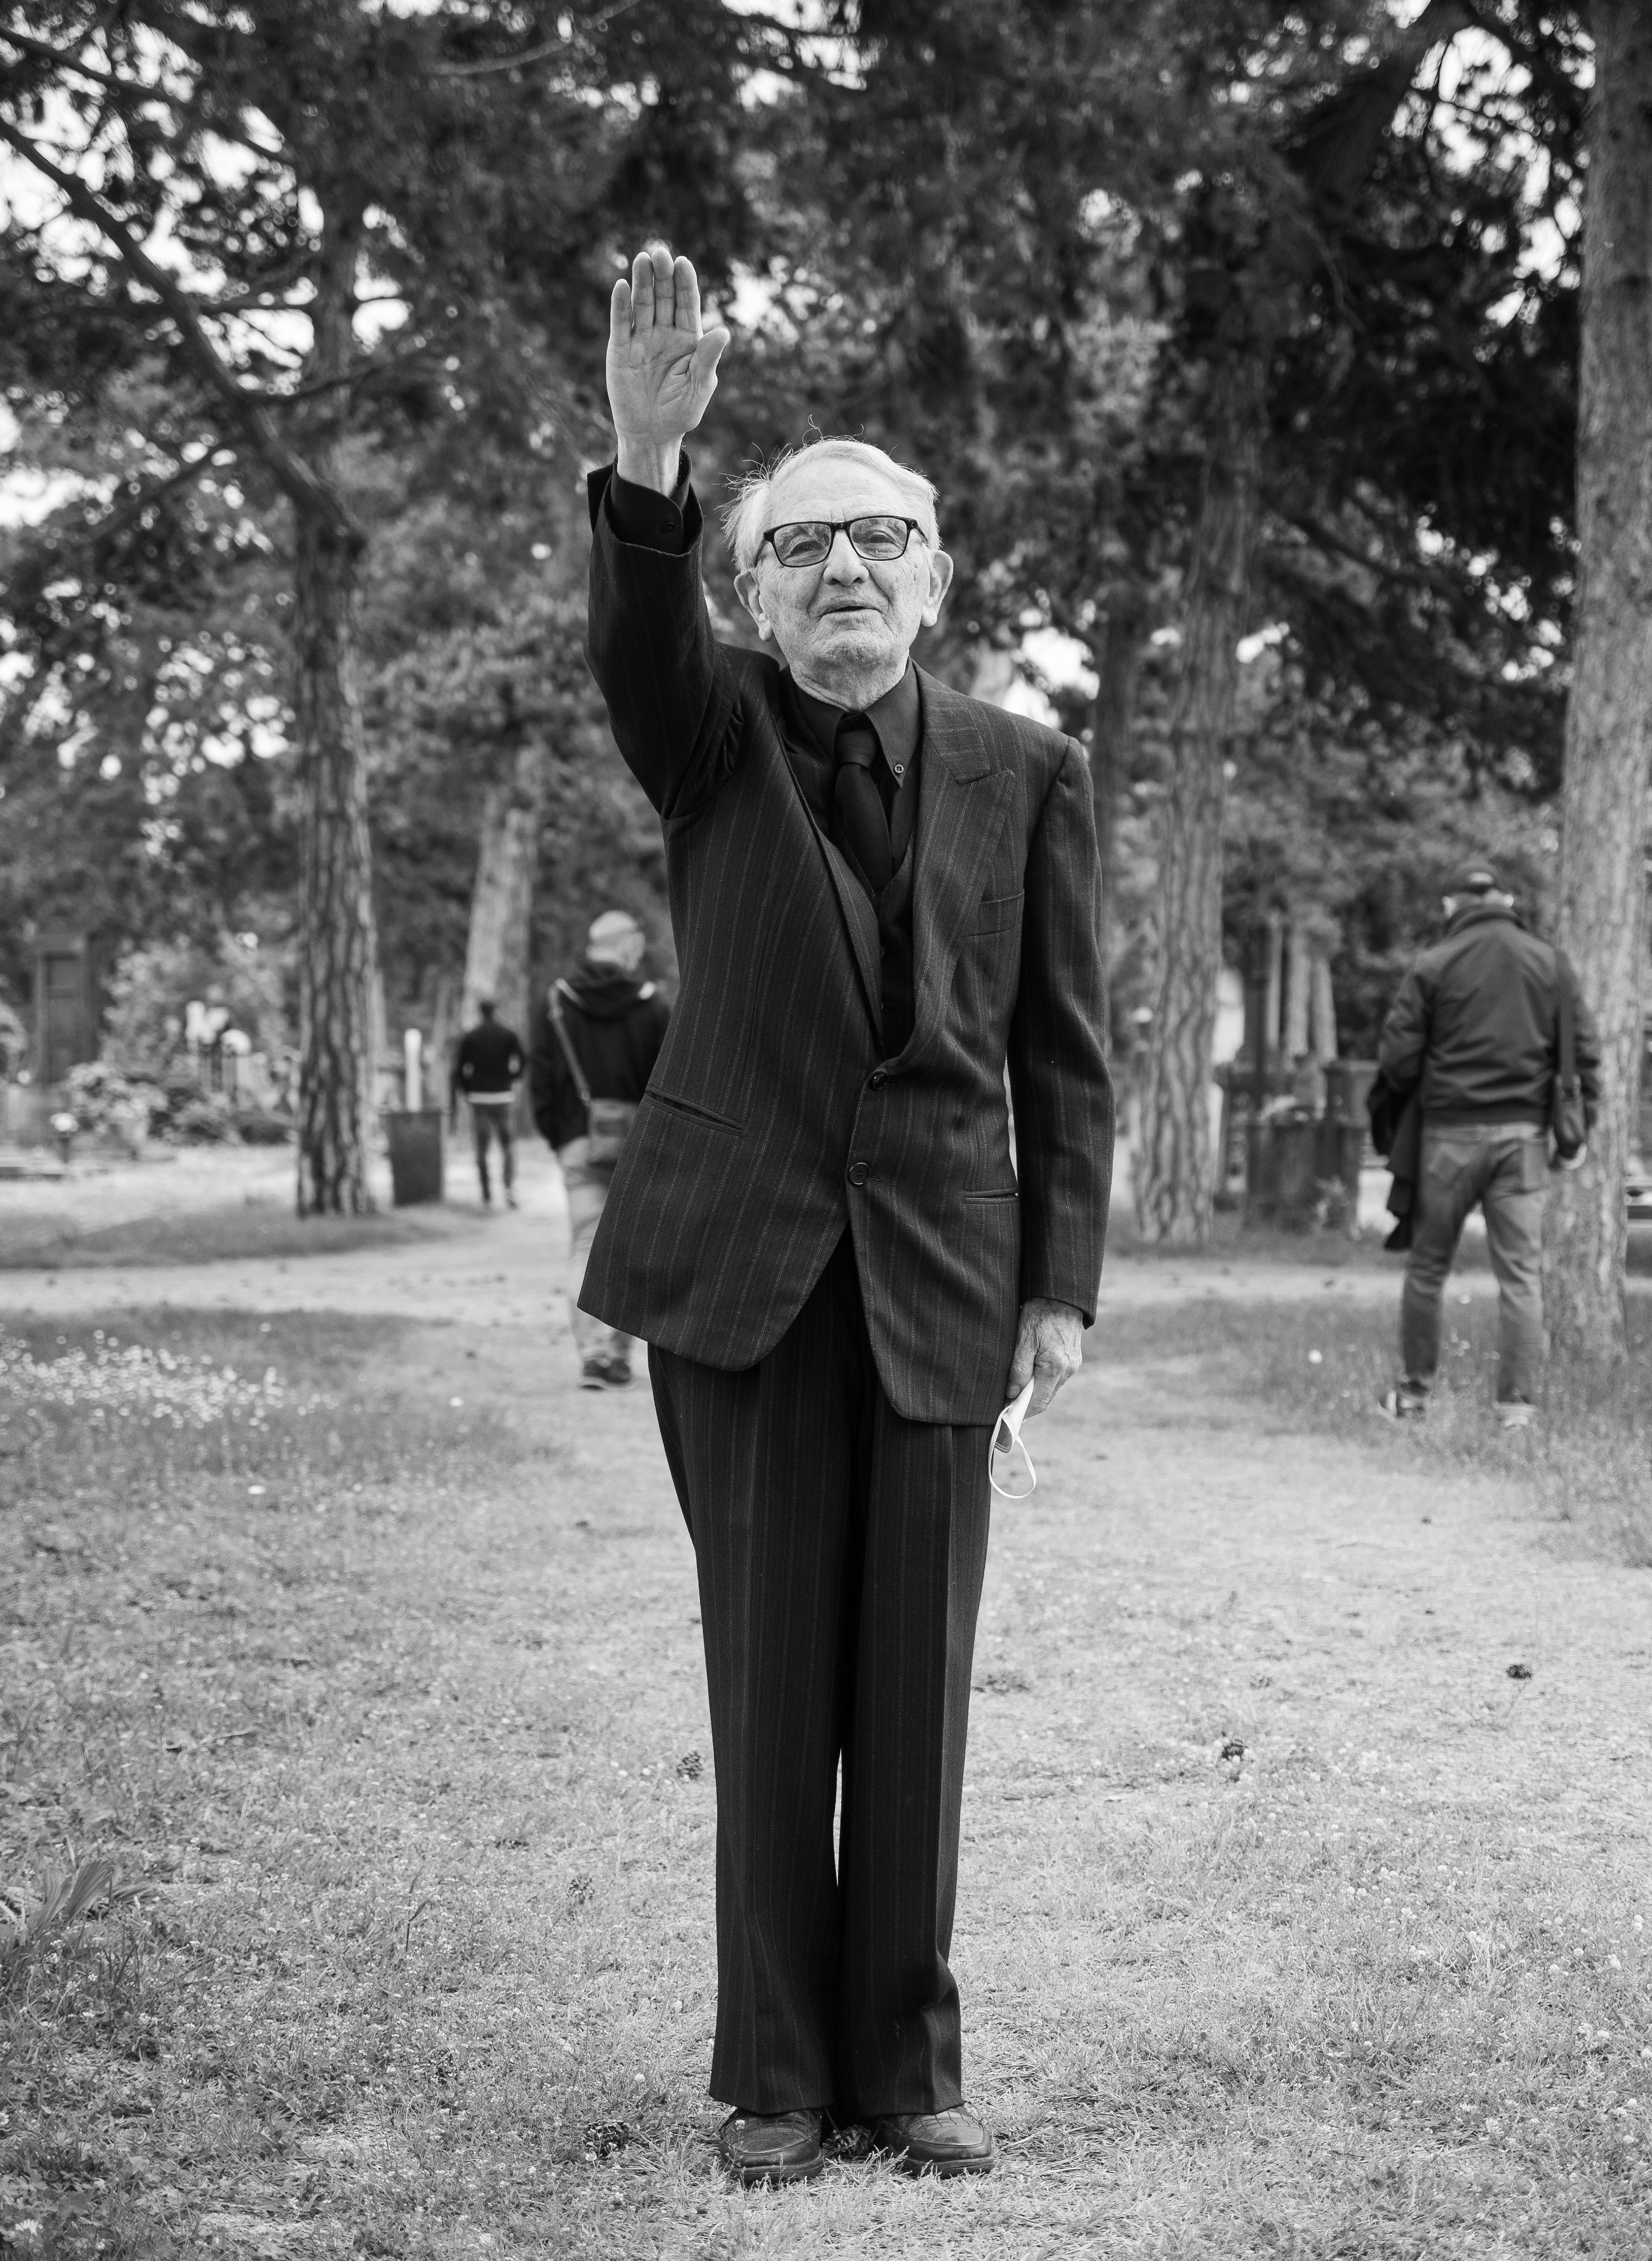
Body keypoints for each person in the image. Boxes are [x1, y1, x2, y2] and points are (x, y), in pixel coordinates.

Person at [577, 246, 1114, 2184]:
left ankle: (909, 2065)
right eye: (801, 546)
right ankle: (778, 2073)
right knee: (769, 1673)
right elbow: (636, 638)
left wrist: (1059, 1281)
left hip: (945, 1279)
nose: (845, 573)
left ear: (938, 578)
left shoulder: (1022, 766)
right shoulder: (707, 735)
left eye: (882, 540)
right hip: (738, 1279)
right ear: (753, 586)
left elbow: (1063, 1049)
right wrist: (650, 463)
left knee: (914, 1692)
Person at [1376, 855, 1601, 1428]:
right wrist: (1577, 1132)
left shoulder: (1433, 964)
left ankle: (1414, 1398)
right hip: (1523, 1139)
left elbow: (1399, 1063)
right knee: (1521, 1277)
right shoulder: (1550, 963)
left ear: (1452, 906)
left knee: (1428, 1270)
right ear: (1506, 903)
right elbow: (1585, 1055)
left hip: (1447, 1138)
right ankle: (1516, 1411)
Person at [530, 911, 670, 1390]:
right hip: (638, 1146)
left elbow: (542, 1082)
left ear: (593, 946)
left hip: (578, 1141)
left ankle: (593, 1355)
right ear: (627, 945)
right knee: (630, 1252)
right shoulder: (652, 1006)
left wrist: (561, 1136)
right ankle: (619, 1357)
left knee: (586, 1248)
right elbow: (667, 1080)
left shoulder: (556, 1001)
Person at [453, 998, 526, 1210]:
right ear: (495, 1011)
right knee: (508, 1144)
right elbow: (522, 1058)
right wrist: (514, 1077)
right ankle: (509, 1189)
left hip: (479, 1097)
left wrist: (468, 1090)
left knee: (482, 1146)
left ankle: (486, 1193)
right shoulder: (507, 1034)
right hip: (503, 1095)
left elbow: (460, 1068)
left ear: (480, 1012)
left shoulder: (471, 1037)